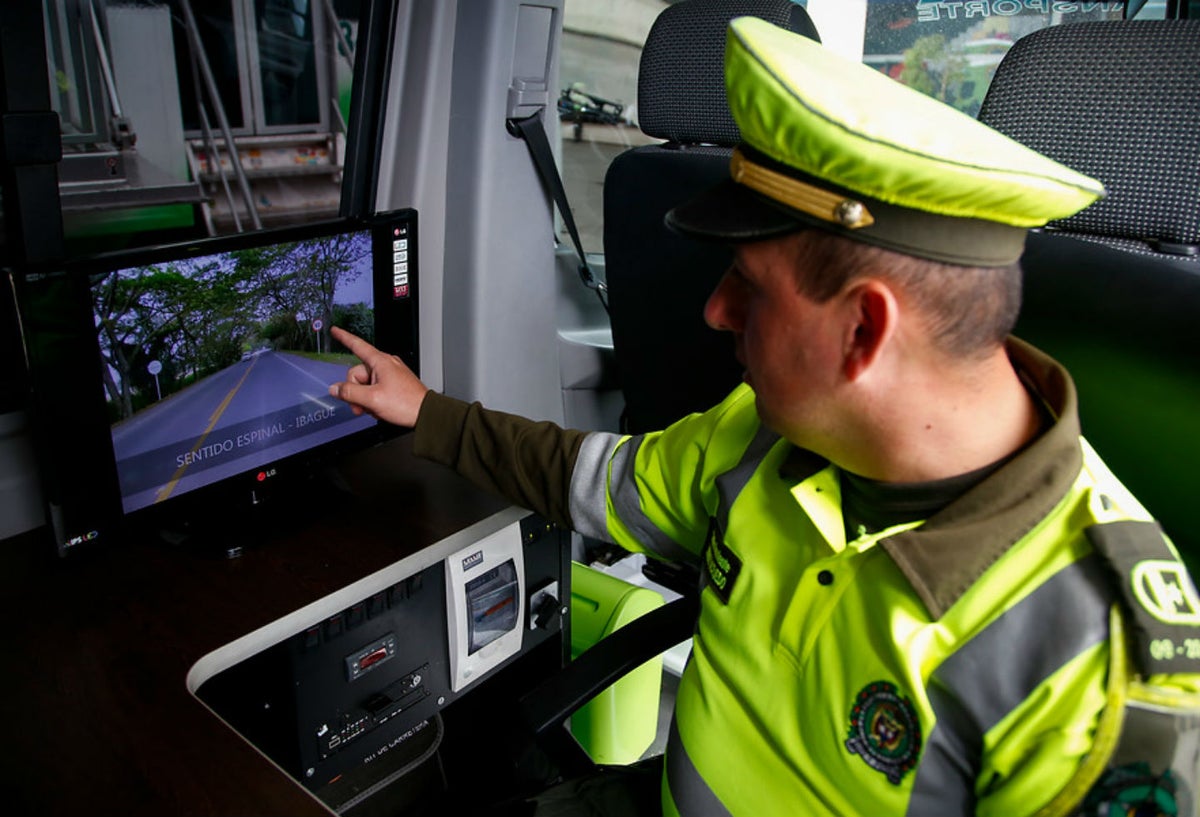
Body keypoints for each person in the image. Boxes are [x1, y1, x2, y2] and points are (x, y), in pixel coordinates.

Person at [330, 17, 1200, 817]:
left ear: (863, 330)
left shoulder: (1097, 669)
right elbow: (592, 481)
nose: (713, 313)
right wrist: (427, 410)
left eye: (747, 287)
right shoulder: (767, 430)